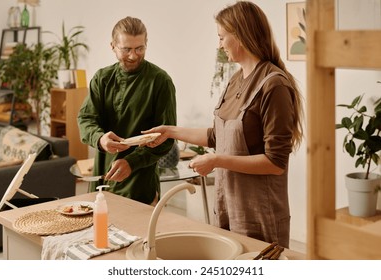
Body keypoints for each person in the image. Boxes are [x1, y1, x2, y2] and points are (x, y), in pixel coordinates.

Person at [143, 1, 304, 248]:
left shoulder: (274, 85)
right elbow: (218, 136)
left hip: (260, 212)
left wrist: (217, 160)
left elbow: (275, 163)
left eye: (221, 37)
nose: (219, 45)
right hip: (229, 205)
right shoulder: (235, 80)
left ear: (241, 35)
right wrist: (170, 131)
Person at [77, 16, 177, 205]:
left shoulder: (160, 81)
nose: (133, 55)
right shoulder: (102, 79)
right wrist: (99, 138)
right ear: (113, 46)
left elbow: (167, 139)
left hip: (140, 184)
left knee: (139, 234)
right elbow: (86, 119)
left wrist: (132, 162)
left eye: (140, 48)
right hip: (102, 178)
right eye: (126, 49)